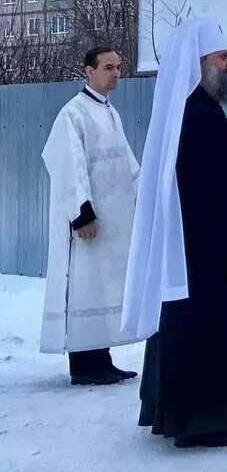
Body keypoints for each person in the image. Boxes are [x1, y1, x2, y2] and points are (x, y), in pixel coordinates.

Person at [123, 18, 227, 449]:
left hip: (202, 247)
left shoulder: (191, 112)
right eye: (222, 57)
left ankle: (200, 410)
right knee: (205, 328)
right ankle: (200, 419)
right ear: (200, 65)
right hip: (205, 255)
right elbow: (226, 172)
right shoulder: (197, 116)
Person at [40, 46, 142, 385]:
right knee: (85, 288)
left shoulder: (111, 113)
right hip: (88, 223)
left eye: (118, 66)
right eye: (108, 67)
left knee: (103, 289)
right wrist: (81, 214)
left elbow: (127, 164)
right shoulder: (75, 112)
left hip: (112, 223)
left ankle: (101, 357)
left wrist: (144, 196)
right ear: (89, 71)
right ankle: (84, 365)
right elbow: (66, 162)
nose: (115, 73)